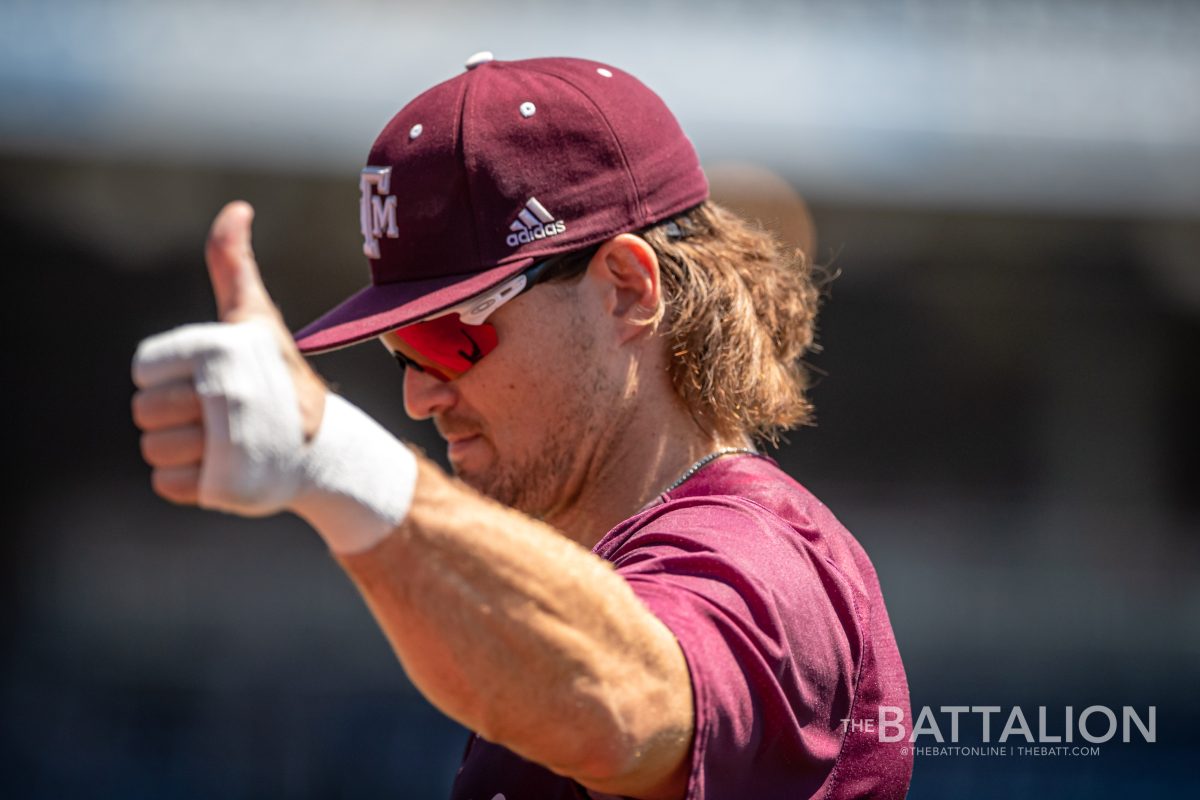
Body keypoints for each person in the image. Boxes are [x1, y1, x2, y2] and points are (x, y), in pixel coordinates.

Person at [131, 54, 913, 800]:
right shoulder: (612, 550)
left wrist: (334, 458)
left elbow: (623, 708)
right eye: (402, 350)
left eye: (448, 337)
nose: (417, 399)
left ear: (628, 291)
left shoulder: (760, 555)